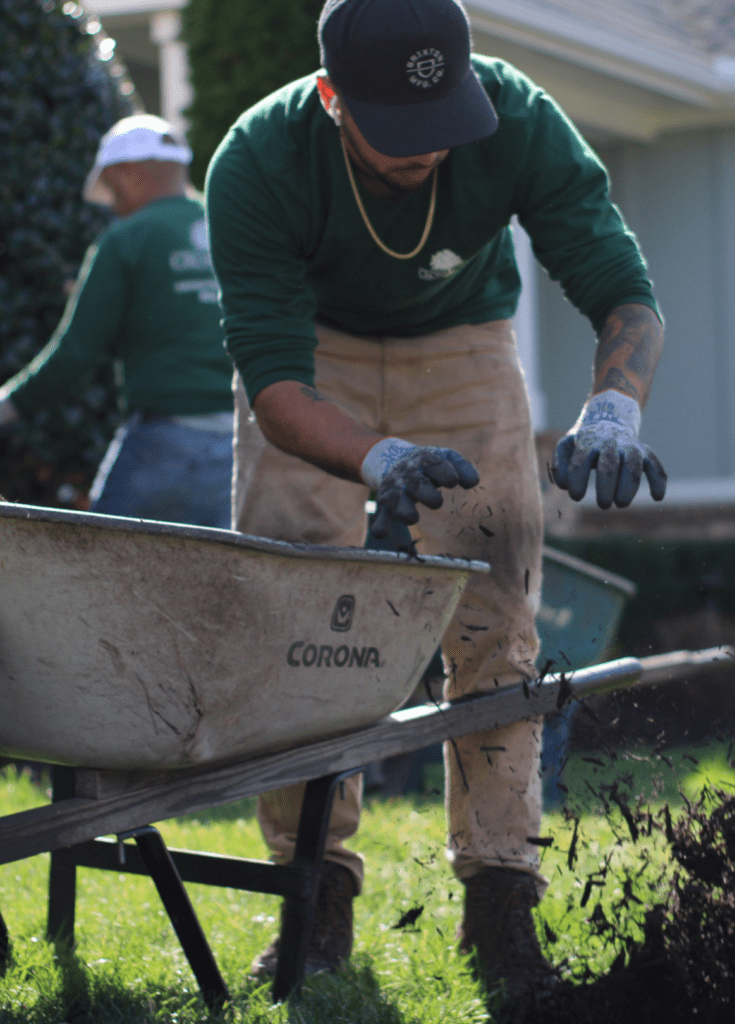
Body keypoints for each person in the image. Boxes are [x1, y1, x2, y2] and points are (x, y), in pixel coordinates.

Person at [205, 0, 666, 999]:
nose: (428, 152)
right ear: (332, 98)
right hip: (314, 359)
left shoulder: (514, 117)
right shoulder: (258, 161)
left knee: (498, 624)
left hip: (463, 342)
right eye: (399, 132)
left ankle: (501, 902)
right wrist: (372, 457)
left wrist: (613, 408)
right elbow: (278, 391)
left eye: (442, 122)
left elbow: (623, 288)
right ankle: (312, 892)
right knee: (298, 621)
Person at [0, 115, 235, 527]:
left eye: (110, 187)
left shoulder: (127, 238)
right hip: (241, 450)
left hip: (162, 445)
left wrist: (6, 407)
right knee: (216, 586)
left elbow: (75, 352)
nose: (112, 203)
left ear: (128, 173)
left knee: (104, 573)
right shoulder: (234, 229)